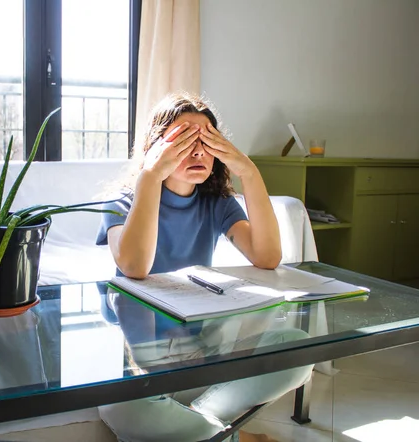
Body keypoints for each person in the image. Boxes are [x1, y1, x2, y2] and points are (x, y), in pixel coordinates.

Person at [95, 92, 313, 442]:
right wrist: (151, 175)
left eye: (207, 140)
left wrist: (249, 171)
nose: (198, 150)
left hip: (198, 357)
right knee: (129, 407)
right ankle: (223, 433)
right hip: (135, 366)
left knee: (300, 348)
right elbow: (135, 266)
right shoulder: (122, 201)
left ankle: (203, 422)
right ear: (157, 147)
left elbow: (267, 257)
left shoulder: (216, 203)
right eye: (184, 139)